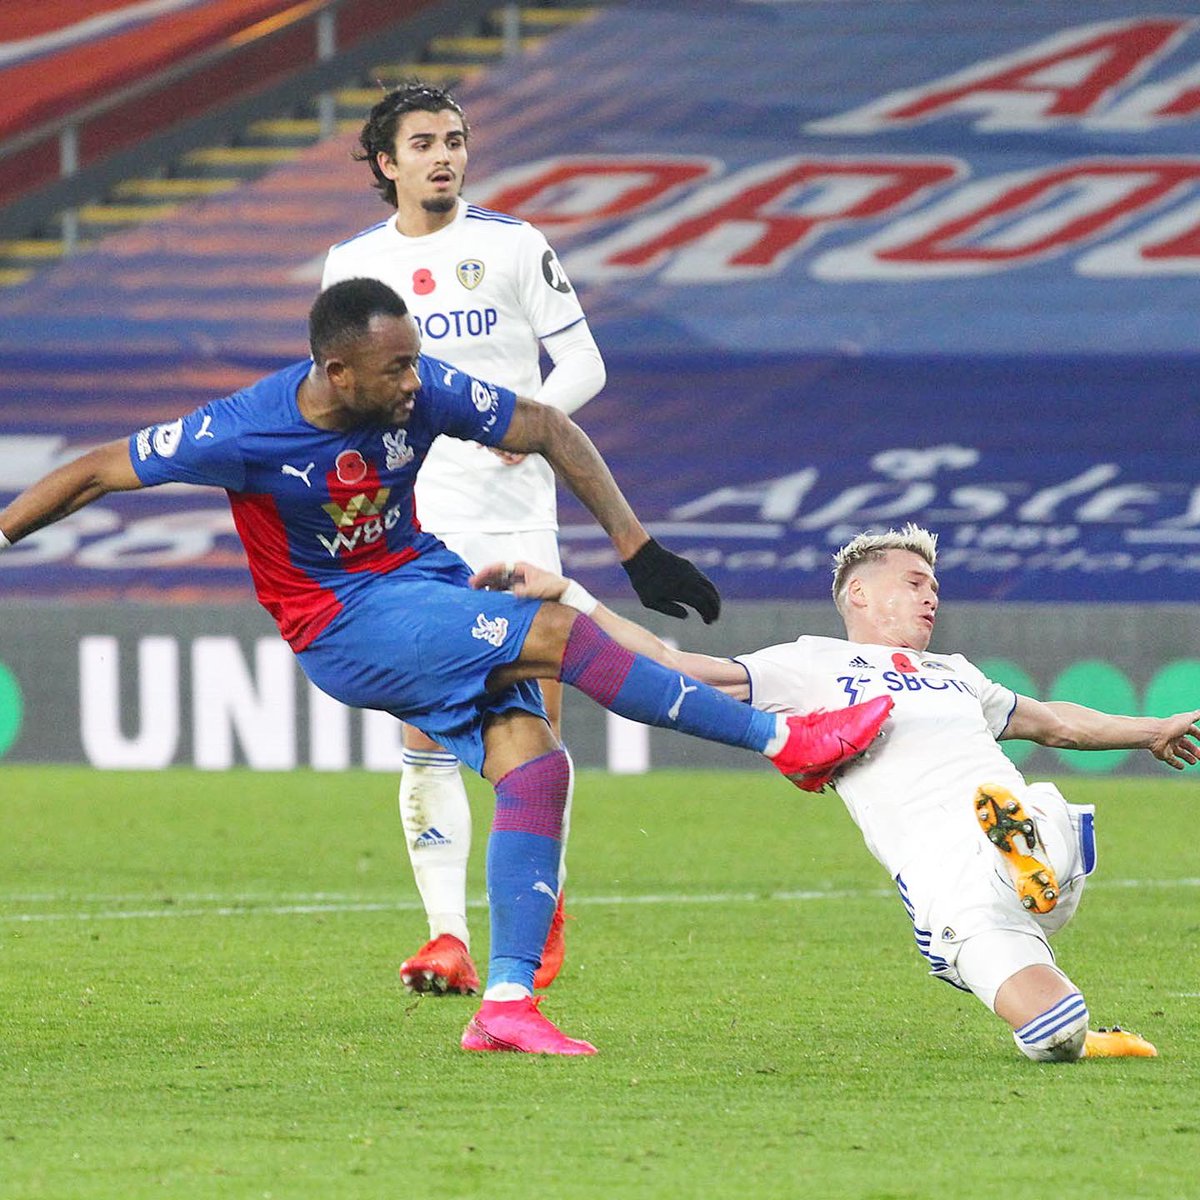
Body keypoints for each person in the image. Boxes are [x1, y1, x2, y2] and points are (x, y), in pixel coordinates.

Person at [0, 278, 893, 1056]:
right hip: (344, 621)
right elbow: (95, 472)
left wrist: (638, 548)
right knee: (551, 631)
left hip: (418, 579)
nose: (415, 381)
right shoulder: (244, 429)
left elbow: (543, 424)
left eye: (416, 363)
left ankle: (505, 1004)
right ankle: (783, 740)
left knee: (536, 769)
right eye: (395, 369)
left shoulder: (413, 392)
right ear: (335, 372)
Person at [475, 523, 1200, 1061]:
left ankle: (1025, 844)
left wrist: (1150, 730)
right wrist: (569, 596)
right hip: (947, 881)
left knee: (1034, 800)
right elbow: (673, 662)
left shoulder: (955, 670)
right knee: (1052, 1034)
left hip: (1010, 837)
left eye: (935, 589)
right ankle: (1075, 1011)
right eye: (915, 583)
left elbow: (1056, 723)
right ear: (859, 592)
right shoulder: (811, 664)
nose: (931, 597)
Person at [320, 82, 608, 997]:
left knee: (538, 730)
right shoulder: (352, 264)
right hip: (416, 526)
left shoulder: (513, 245)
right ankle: (446, 935)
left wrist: (521, 427)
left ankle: (541, 903)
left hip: (518, 516)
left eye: (455, 139)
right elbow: (339, 396)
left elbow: (586, 365)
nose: (444, 156)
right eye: (423, 143)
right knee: (425, 732)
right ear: (386, 162)